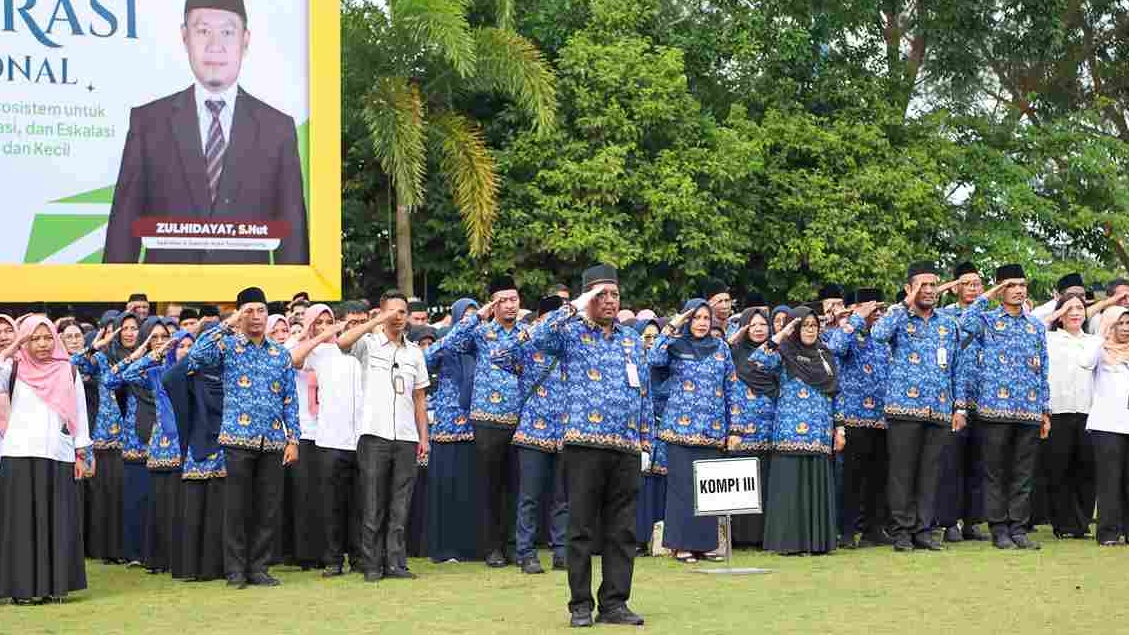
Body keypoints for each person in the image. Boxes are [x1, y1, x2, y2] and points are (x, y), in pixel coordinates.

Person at [103, 0, 308, 265]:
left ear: (245, 40)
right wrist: (116, 302)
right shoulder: (149, 123)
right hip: (167, 298)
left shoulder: (277, 129)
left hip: (245, 299)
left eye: (227, 32)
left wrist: (294, 300)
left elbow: (291, 230)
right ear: (184, 36)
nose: (215, 45)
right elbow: (124, 224)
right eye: (202, 31)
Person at [526, 264, 651, 628]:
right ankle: (580, 604)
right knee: (580, 529)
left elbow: (643, 394)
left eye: (614, 294)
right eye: (601, 295)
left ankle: (614, 603)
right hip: (583, 446)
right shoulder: (570, 333)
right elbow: (535, 338)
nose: (610, 301)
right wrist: (574, 306)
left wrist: (647, 443)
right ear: (587, 299)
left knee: (622, 531)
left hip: (626, 448)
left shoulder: (630, 338)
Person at [188, 287, 299, 588]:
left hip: (274, 441)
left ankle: (259, 568)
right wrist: (227, 323)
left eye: (260, 310)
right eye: (248, 311)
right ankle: (235, 570)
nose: (255, 317)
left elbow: (291, 399)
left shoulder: (281, 354)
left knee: (267, 507)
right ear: (239, 315)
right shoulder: (227, 347)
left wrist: (294, 439)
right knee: (236, 508)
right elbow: (195, 357)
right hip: (238, 439)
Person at [336, 291, 430, 583]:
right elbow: (342, 342)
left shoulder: (414, 351)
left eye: (402, 312)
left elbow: (419, 398)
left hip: (405, 436)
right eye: (393, 311)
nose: (398, 317)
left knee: (400, 504)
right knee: (373, 503)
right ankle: (371, 563)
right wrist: (376, 321)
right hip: (374, 435)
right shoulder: (369, 343)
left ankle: (396, 563)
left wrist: (423, 437)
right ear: (381, 312)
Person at [872, 262, 964, 552]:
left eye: (933, 285)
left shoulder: (948, 324)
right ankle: (901, 531)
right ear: (909, 289)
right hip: (904, 407)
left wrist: (959, 407)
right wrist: (904, 304)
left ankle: (924, 530)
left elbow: (956, 368)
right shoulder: (898, 317)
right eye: (922, 286)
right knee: (902, 473)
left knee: (930, 473)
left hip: (938, 409)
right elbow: (878, 334)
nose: (929, 291)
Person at [0, 316, 91, 605]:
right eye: (34, 338)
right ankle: (22, 589)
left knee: (56, 522)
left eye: (47, 337)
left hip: (58, 455)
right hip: (19, 455)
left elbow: (80, 415)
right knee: (22, 525)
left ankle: (55, 586)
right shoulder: (12, 367)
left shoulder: (68, 371)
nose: (42, 344)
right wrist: (15, 345)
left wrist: (81, 453)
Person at [961, 265, 1050, 550]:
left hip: (1028, 410)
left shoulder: (1035, 325)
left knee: (1023, 473)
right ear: (1001, 290)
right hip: (994, 410)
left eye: (1023, 285)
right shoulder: (986, 320)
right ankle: (999, 528)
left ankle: (1019, 528)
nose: (1020, 290)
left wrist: (1045, 409)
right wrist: (987, 295)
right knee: (995, 472)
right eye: (1012, 285)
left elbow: (1043, 368)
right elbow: (962, 325)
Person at [443, 275, 526, 567]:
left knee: (518, 486)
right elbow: (450, 344)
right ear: (493, 304)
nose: (509, 306)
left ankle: (517, 545)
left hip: (521, 419)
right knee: (490, 486)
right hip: (486, 420)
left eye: (513, 299)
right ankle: (492, 547)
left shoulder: (527, 333)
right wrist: (477, 316)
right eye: (502, 300)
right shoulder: (481, 332)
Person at [651, 299, 741, 563]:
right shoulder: (676, 346)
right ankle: (680, 545)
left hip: (712, 429)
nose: (701, 323)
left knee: (708, 488)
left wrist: (734, 428)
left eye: (705, 318)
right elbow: (653, 358)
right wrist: (673, 325)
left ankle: (706, 544)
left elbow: (732, 388)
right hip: (679, 429)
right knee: (681, 488)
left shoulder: (721, 349)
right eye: (696, 318)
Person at [749, 307, 843, 555]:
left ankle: (816, 543)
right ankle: (788, 543)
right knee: (791, 488)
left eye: (814, 325)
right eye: (805, 325)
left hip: (820, 434)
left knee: (815, 488)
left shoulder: (825, 355)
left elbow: (836, 394)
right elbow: (757, 361)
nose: (810, 330)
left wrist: (840, 429)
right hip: (790, 433)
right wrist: (782, 334)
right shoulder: (784, 353)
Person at [493, 295, 570, 574]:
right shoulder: (527, 346)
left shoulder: (569, 348)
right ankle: (526, 553)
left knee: (563, 497)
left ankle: (561, 551)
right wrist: (531, 331)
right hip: (532, 433)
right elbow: (497, 355)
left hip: (565, 432)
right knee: (530, 497)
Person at [290, 303, 364, 576]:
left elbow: (349, 339)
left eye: (328, 321)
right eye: (317, 323)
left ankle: (358, 557)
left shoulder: (351, 356)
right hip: (329, 439)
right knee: (332, 504)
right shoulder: (317, 353)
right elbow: (293, 359)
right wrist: (321, 335)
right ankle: (333, 559)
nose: (324, 327)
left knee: (358, 503)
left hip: (358, 438)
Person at [71, 311, 139, 564]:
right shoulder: (100, 358)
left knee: (126, 494)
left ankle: (128, 549)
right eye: (122, 329)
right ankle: (106, 550)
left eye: (133, 328)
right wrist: (93, 347)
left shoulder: (145, 357)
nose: (129, 333)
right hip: (104, 436)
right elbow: (73, 365)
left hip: (134, 436)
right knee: (105, 493)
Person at [827, 289, 891, 548]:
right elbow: (833, 349)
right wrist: (856, 318)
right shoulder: (844, 334)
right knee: (851, 478)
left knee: (879, 477)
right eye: (870, 309)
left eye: (878, 310)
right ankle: (846, 531)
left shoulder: (882, 337)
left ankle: (874, 529)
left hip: (882, 416)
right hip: (853, 416)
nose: (875, 314)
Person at [163, 329, 228, 582]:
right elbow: (170, 378)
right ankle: (190, 567)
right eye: (183, 345)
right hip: (197, 448)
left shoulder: (228, 375)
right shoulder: (187, 376)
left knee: (219, 507)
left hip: (226, 448)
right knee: (195, 507)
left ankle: (217, 567)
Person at [421, 298, 481, 564]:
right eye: (465, 317)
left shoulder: (483, 345)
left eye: (474, 316)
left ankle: (472, 547)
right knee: (446, 489)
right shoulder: (446, 344)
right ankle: (445, 549)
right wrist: (459, 332)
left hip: (476, 425)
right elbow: (425, 359)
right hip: (447, 426)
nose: (470, 322)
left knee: (472, 490)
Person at [122, 322, 184, 575]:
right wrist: (154, 353)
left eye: (166, 337)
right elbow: (125, 375)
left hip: (186, 444)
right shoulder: (155, 372)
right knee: (159, 503)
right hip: (160, 444)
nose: (161, 340)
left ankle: (181, 558)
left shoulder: (188, 369)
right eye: (154, 337)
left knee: (181, 504)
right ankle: (157, 558)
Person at [935, 262, 990, 543]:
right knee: (951, 463)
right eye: (967, 283)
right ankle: (949, 522)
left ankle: (972, 520)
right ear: (955, 287)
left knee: (977, 462)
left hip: (983, 399)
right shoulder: (945, 316)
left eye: (977, 284)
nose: (972, 288)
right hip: (954, 398)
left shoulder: (989, 316)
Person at [1043, 293, 1099, 539]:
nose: (1075, 313)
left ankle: (1082, 522)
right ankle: (1062, 524)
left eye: (1079, 308)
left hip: (1089, 412)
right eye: (1068, 309)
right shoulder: (1049, 338)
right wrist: (1057, 311)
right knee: (1059, 469)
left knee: (1087, 469)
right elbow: (1035, 324)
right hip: (1059, 411)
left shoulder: (1095, 341)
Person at [726, 308, 777, 547]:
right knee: (742, 481)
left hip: (768, 428)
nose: (758, 329)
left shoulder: (776, 355)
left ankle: (761, 536)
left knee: (765, 481)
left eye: (763, 325)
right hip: (741, 429)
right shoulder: (733, 354)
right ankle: (738, 537)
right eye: (753, 325)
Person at [1086, 307, 1129, 545]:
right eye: (1119, 323)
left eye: (1128, 323)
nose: (1125, 328)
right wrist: (1101, 337)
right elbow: (1084, 363)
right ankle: (1109, 532)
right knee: (1109, 481)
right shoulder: (1101, 351)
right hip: (1107, 425)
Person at [633, 317, 668, 552]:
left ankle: (661, 538)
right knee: (641, 486)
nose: (652, 341)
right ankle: (637, 538)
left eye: (656, 337)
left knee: (661, 484)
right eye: (647, 337)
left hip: (665, 430)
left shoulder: (667, 365)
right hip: (640, 430)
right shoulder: (632, 363)